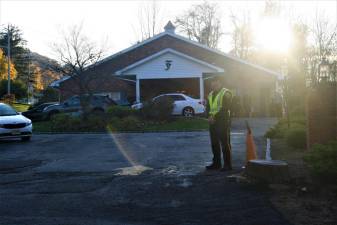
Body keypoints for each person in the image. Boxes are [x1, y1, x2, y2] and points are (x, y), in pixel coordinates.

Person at [205, 77, 233, 171]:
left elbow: (226, 107)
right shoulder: (210, 94)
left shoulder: (226, 93)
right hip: (213, 122)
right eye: (212, 84)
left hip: (223, 121)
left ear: (220, 83)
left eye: (215, 84)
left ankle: (227, 165)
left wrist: (214, 117)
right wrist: (208, 116)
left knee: (225, 143)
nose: (213, 86)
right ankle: (216, 163)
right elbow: (208, 108)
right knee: (214, 143)